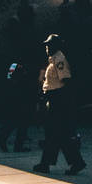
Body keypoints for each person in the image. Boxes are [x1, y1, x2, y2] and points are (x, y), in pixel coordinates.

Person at [34, 34, 86, 175]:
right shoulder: (52, 60)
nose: (47, 47)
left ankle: (70, 162)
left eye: (49, 45)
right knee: (56, 135)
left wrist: (62, 104)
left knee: (55, 133)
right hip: (54, 98)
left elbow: (66, 80)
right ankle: (70, 163)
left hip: (58, 99)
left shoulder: (59, 60)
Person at [0, 56, 37, 152]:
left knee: (15, 120)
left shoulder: (15, 66)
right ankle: (15, 144)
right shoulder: (20, 67)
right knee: (21, 121)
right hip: (21, 94)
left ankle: (4, 138)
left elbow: (9, 78)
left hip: (17, 94)